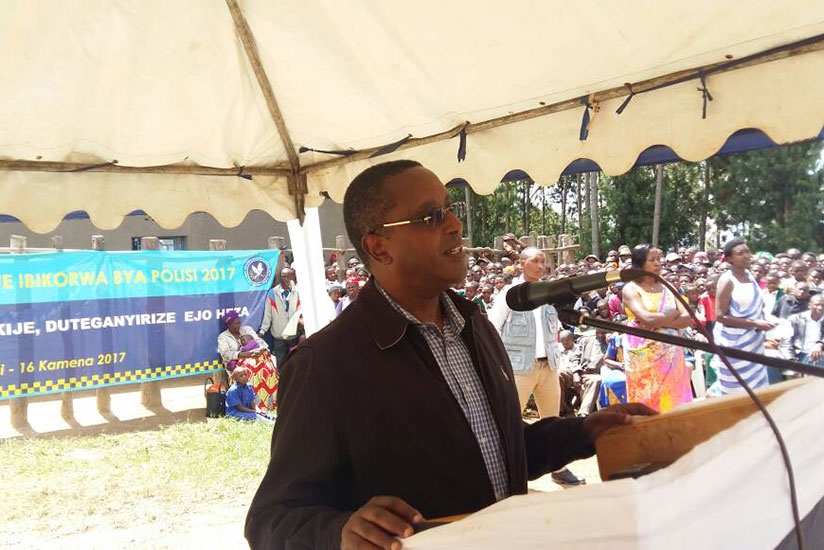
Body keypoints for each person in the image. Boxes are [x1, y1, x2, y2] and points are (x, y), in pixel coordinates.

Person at [245, 160, 653, 550]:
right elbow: (270, 520)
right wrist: (337, 532)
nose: (455, 225)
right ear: (378, 246)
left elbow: (497, 453)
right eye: (431, 217)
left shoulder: (474, 325)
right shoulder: (326, 364)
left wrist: (584, 432)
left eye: (449, 210)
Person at [489, 247, 585, 486]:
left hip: (549, 366)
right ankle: (508, 471)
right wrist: (501, 364)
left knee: (553, 420)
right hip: (519, 368)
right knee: (510, 421)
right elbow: (492, 328)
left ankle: (558, 468)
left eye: (543, 261)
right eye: (535, 260)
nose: (541, 265)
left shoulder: (550, 293)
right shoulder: (509, 294)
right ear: (522, 263)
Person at [621, 244, 693, 412]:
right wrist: (672, 314)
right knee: (647, 400)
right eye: (652, 260)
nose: (658, 263)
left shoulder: (668, 286)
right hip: (643, 355)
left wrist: (658, 322)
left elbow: (687, 318)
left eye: (659, 259)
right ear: (640, 264)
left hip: (671, 353)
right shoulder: (631, 289)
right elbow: (647, 318)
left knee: (674, 398)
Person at [713, 238, 774, 393]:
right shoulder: (727, 280)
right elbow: (720, 316)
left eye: (747, 251)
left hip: (754, 342)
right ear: (729, 259)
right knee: (735, 390)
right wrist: (754, 323)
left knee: (758, 388)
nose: (746, 256)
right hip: (733, 343)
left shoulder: (750, 276)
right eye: (740, 253)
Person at [217, 311, 279, 411]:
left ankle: (270, 403)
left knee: (268, 369)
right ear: (228, 326)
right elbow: (225, 354)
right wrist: (243, 354)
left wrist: (259, 350)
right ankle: (256, 405)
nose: (239, 325)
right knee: (251, 372)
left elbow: (261, 342)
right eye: (235, 324)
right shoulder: (223, 337)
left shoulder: (247, 329)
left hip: (257, 357)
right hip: (239, 364)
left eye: (239, 322)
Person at [259, 268, 301, 368]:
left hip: (294, 335)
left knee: (294, 363)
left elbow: (301, 312)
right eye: (283, 276)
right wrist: (262, 331)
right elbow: (268, 315)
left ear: (293, 277)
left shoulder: (298, 292)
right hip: (278, 336)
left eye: (288, 276)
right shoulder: (272, 293)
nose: (285, 279)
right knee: (281, 363)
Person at [789, 293, 824, 366]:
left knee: (815, 360)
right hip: (798, 354)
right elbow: (786, 341)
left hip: (820, 354)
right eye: (817, 304)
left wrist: (820, 344)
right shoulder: (796, 319)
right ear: (809, 305)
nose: (820, 308)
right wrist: (791, 359)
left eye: (823, 305)